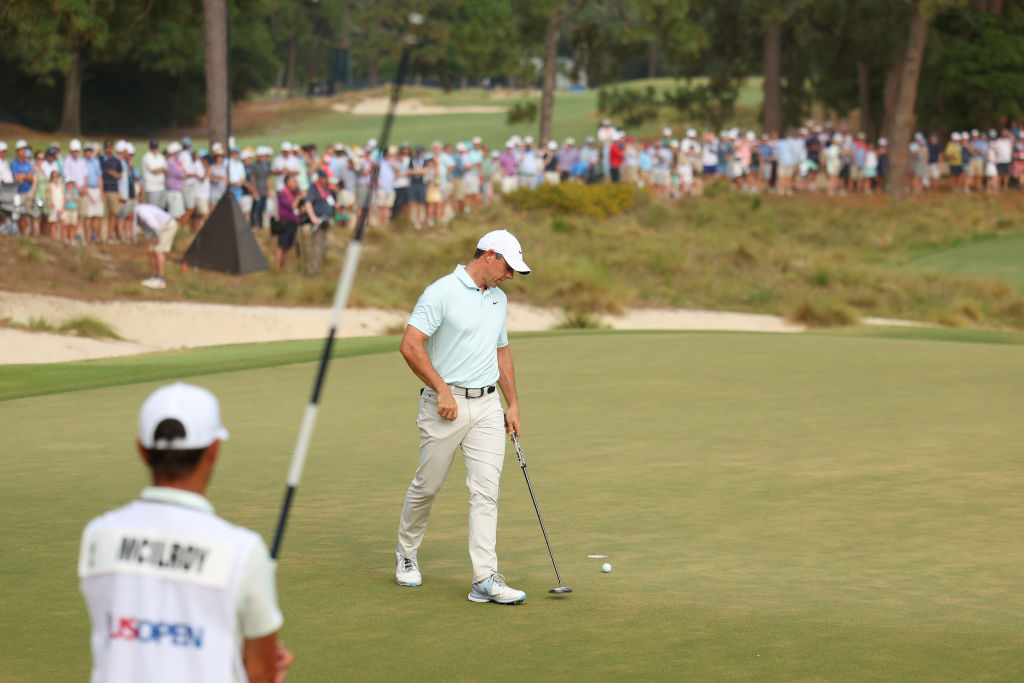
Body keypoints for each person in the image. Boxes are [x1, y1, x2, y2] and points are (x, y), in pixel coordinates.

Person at [78, 382, 293, 683]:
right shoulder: (243, 551)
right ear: (213, 451)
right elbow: (262, 672)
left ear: (142, 450)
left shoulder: (98, 537)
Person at [395, 229, 532, 605]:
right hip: (445, 405)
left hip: (488, 406)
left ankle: (484, 578)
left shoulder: (499, 300)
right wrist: (440, 388)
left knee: (486, 491)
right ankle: (406, 552)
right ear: (489, 255)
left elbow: (501, 353)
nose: (510, 277)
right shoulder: (441, 292)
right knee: (428, 486)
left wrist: (513, 404)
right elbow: (410, 344)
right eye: (508, 267)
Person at [134, 203, 179, 289]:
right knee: (151, 250)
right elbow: (147, 228)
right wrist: (150, 239)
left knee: (158, 250)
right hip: (160, 228)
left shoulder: (142, 213)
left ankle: (161, 280)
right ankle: (155, 277)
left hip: (168, 226)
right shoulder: (138, 214)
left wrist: (158, 238)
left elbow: (154, 225)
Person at [274, 174, 303, 270]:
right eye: (293, 181)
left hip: (293, 223)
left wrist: (298, 187)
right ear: (287, 182)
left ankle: (284, 267)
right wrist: (298, 197)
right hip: (284, 223)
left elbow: (304, 195)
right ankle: (277, 267)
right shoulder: (282, 193)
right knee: (281, 246)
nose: (294, 183)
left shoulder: (294, 193)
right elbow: (292, 206)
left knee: (288, 247)